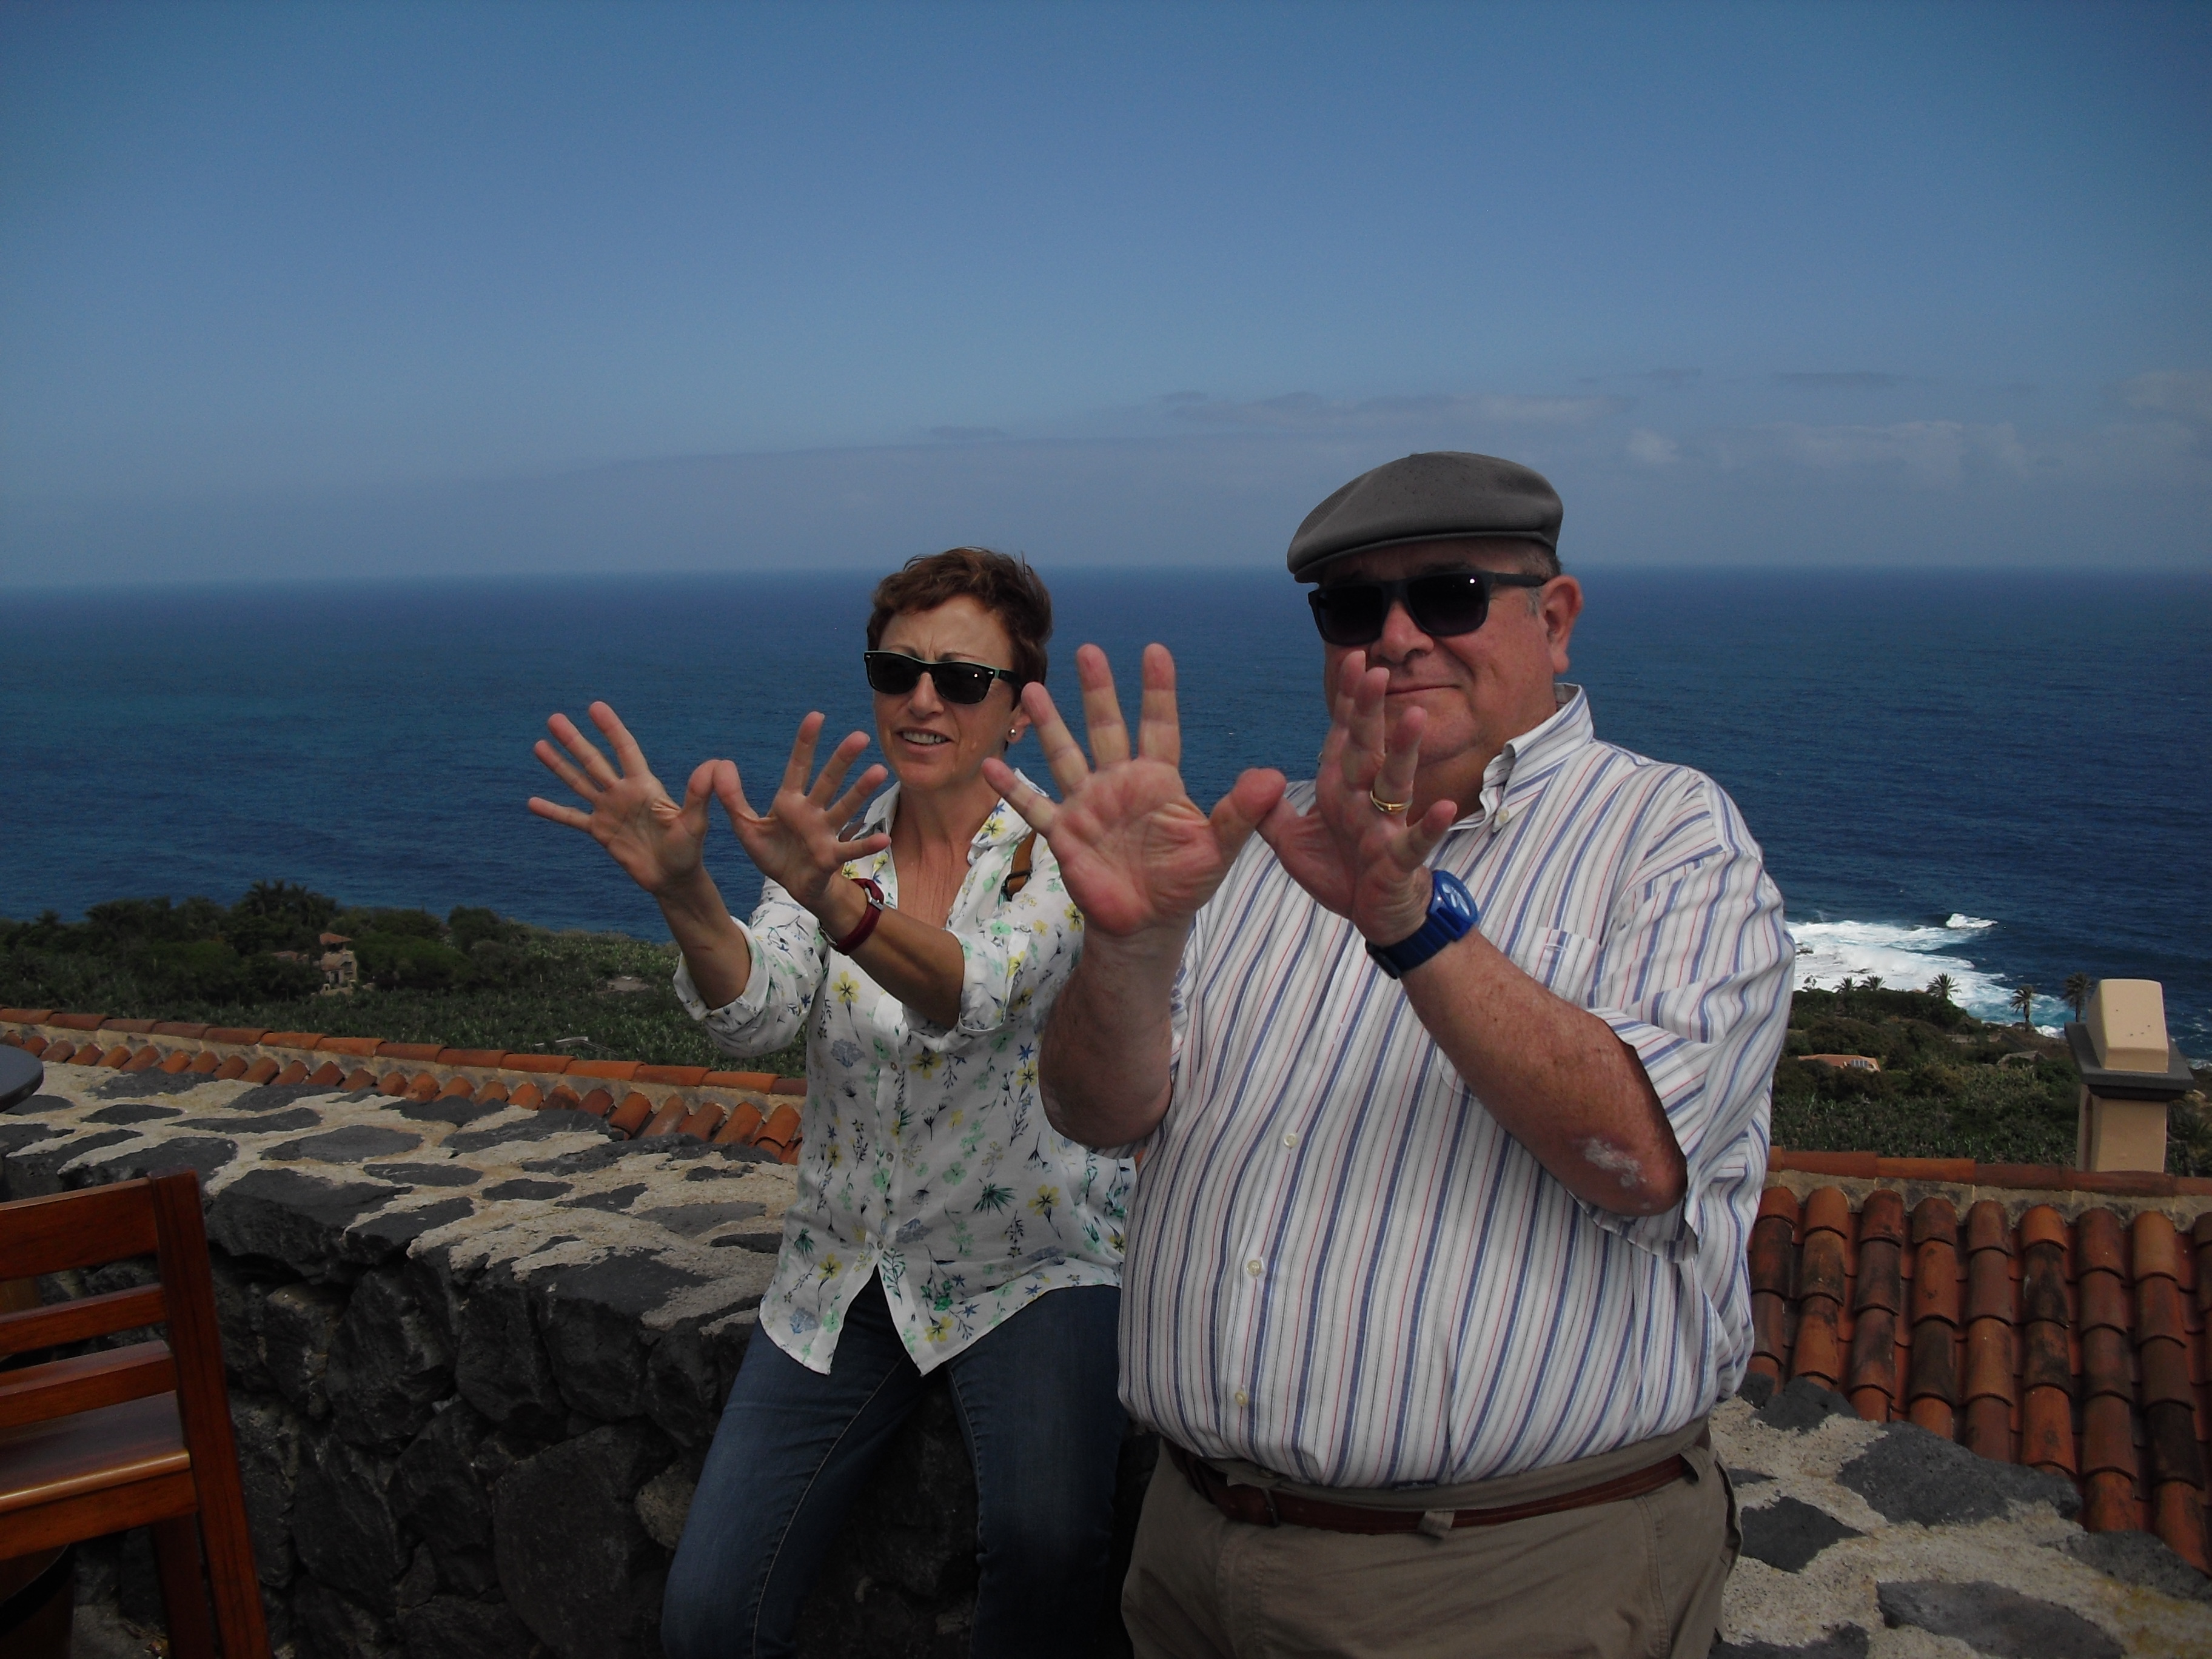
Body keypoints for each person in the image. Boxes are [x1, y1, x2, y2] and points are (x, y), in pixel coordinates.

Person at [982, 454, 1794, 1659]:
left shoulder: (1669, 838)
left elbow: (1637, 1153)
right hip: (1195, 1550)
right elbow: (1098, 1111)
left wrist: (1414, 924)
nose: (1399, 636)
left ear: (1555, 620)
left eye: (1452, 593)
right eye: (1355, 608)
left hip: (1504, 1581)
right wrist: (1130, 949)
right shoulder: (1268, 857)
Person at [528, 548, 1133, 1659]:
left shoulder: (1059, 852)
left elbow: (978, 990)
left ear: (1013, 711)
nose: (922, 698)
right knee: (710, 1616)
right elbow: (758, 1009)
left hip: (1033, 1265)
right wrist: (686, 892)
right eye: (896, 669)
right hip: (843, 1269)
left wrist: (836, 905)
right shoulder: (840, 840)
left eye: (961, 679)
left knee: (1050, 1549)